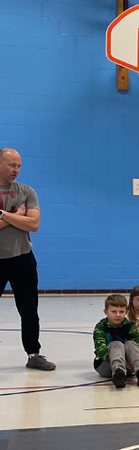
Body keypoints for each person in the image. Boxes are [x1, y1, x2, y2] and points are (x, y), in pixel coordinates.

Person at [0, 148, 55, 370]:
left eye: (19, 165)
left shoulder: (27, 192)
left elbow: (34, 224)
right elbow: (25, 220)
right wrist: (18, 216)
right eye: (12, 165)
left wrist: (3, 214)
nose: (16, 170)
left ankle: (33, 354)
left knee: (29, 309)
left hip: (22, 258)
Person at [93, 294, 139, 388]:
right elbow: (101, 350)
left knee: (131, 343)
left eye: (121, 312)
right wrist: (124, 363)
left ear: (126, 312)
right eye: (113, 311)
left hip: (129, 366)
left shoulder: (129, 326)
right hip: (105, 365)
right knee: (116, 343)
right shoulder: (101, 327)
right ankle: (118, 373)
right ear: (106, 312)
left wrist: (130, 363)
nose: (118, 315)